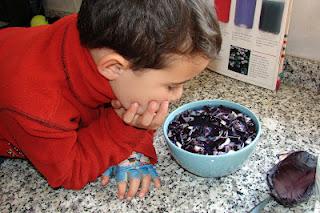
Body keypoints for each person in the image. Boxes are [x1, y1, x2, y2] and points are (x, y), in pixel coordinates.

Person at [0, 0, 221, 200]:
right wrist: (128, 126)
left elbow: (123, 94)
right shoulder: (40, 109)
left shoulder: (103, 36)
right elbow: (68, 172)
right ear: (114, 67)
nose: (178, 95)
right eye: (171, 85)